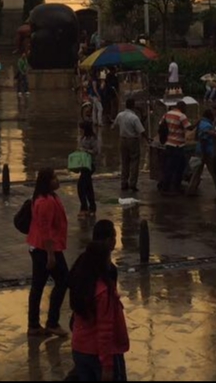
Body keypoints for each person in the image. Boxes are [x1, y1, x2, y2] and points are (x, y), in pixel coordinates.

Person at [68, 219, 130, 382]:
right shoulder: (103, 290)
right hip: (99, 350)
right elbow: (105, 328)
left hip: (80, 346)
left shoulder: (81, 267)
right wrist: (107, 365)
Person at [27, 167, 70, 337]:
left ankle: (34, 324)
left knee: (38, 286)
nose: (57, 180)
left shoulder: (49, 197)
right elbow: (46, 230)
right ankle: (51, 322)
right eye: (54, 178)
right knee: (62, 280)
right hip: (46, 248)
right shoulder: (45, 201)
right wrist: (51, 255)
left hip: (42, 246)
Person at [112, 98, 146, 192]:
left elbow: (114, 126)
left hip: (123, 140)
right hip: (133, 140)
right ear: (133, 106)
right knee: (134, 162)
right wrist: (147, 139)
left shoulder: (120, 115)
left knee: (125, 162)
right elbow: (141, 131)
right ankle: (132, 184)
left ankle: (124, 183)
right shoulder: (134, 117)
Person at [158, 102, 192, 193]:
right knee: (178, 167)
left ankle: (168, 185)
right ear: (182, 107)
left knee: (169, 166)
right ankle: (171, 187)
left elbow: (160, 124)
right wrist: (198, 123)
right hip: (178, 145)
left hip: (169, 143)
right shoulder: (182, 116)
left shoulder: (167, 114)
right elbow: (189, 127)